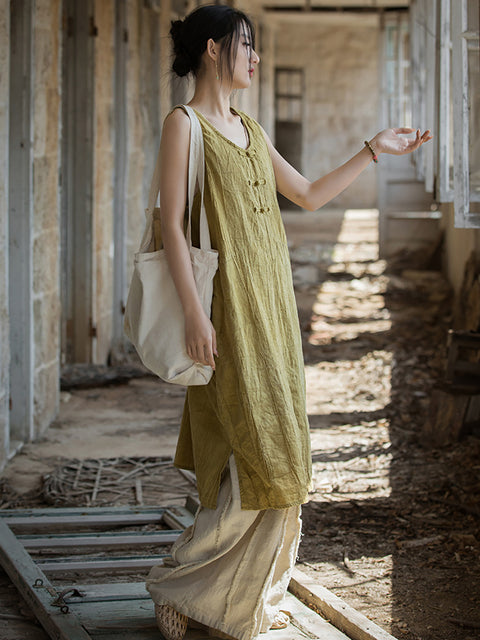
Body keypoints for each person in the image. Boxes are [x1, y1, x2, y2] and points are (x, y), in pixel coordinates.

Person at [145, 5, 432, 640]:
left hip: (272, 310)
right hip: (225, 313)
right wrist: (195, 313)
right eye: (247, 47)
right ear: (215, 50)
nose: (255, 58)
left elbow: (307, 194)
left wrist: (372, 149)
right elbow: (169, 224)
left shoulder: (249, 127)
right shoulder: (184, 125)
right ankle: (179, 588)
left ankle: (242, 597)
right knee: (252, 451)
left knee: (285, 453)